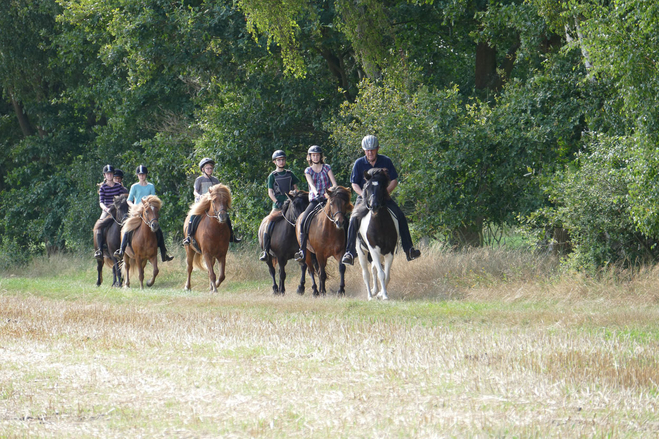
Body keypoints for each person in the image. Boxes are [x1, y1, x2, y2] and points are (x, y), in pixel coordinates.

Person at [341, 135, 421, 265]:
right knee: (353, 219)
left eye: (372, 149)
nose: (370, 152)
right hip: (364, 198)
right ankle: (350, 252)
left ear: (377, 149)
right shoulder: (359, 163)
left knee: (400, 215)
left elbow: (394, 180)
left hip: (383, 198)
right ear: (364, 150)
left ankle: (409, 249)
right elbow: (354, 184)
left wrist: (385, 192)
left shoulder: (386, 161)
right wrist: (363, 195)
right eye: (367, 150)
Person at [114, 165, 174, 262]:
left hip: (148, 213)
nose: (141, 176)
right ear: (137, 175)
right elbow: (129, 200)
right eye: (140, 174)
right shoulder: (134, 186)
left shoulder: (151, 186)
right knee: (127, 229)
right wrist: (134, 206)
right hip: (137, 213)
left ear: (146, 175)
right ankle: (121, 251)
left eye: (143, 174)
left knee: (159, 231)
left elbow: (153, 200)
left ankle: (164, 253)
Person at [182, 157, 240, 249]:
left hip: (213, 204)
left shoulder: (215, 180)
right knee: (193, 216)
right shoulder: (199, 179)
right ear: (203, 169)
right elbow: (195, 191)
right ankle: (189, 236)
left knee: (226, 216)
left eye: (211, 168)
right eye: (208, 168)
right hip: (201, 203)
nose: (210, 170)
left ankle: (232, 235)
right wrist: (199, 196)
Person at [293, 145, 338, 262]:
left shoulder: (327, 168)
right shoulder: (308, 170)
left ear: (321, 156)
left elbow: (334, 183)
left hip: (328, 199)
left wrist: (330, 192)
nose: (316, 157)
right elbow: (311, 184)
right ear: (310, 157)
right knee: (303, 221)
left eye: (317, 155)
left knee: (342, 216)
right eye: (313, 155)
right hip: (315, 199)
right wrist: (316, 193)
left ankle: (348, 247)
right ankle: (302, 250)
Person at [259, 150, 300, 261]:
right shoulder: (272, 176)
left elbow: (296, 188)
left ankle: (303, 249)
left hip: (290, 205)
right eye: (279, 160)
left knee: (301, 220)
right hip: (278, 205)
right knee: (268, 223)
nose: (281, 162)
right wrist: (276, 201)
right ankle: (266, 251)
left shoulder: (290, 174)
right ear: (275, 162)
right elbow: (270, 192)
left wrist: (294, 196)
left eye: (283, 160)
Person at [93, 164, 128, 259]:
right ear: (104, 175)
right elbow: (101, 202)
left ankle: (129, 245)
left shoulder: (118, 186)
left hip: (117, 209)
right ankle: (100, 250)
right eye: (107, 174)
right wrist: (106, 209)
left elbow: (125, 196)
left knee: (128, 222)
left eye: (111, 174)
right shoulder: (103, 187)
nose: (109, 175)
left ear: (113, 175)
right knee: (99, 225)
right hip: (107, 209)